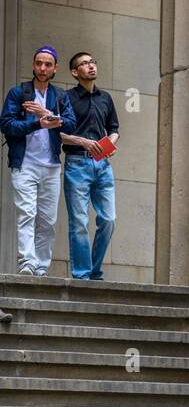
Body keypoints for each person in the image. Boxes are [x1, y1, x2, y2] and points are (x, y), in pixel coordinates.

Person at [0, 47, 77, 275]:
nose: (42, 68)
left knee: (48, 220)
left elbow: (72, 124)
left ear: (55, 68)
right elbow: (6, 126)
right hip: (24, 164)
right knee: (27, 214)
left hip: (51, 166)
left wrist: (46, 113)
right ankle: (27, 263)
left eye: (47, 64)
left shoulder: (60, 96)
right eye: (39, 63)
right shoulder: (19, 93)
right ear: (33, 65)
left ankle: (41, 267)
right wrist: (37, 123)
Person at [62, 52, 119, 281]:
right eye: (84, 64)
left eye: (93, 61)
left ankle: (94, 270)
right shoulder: (65, 98)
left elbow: (114, 128)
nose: (91, 66)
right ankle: (83, 276)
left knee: (109, 219)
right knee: (79, 222)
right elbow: (58, 133)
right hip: (77, 164)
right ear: (75, 72)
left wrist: (110, 144)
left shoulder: (105, 98)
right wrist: (82, 141)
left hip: (103, 165)